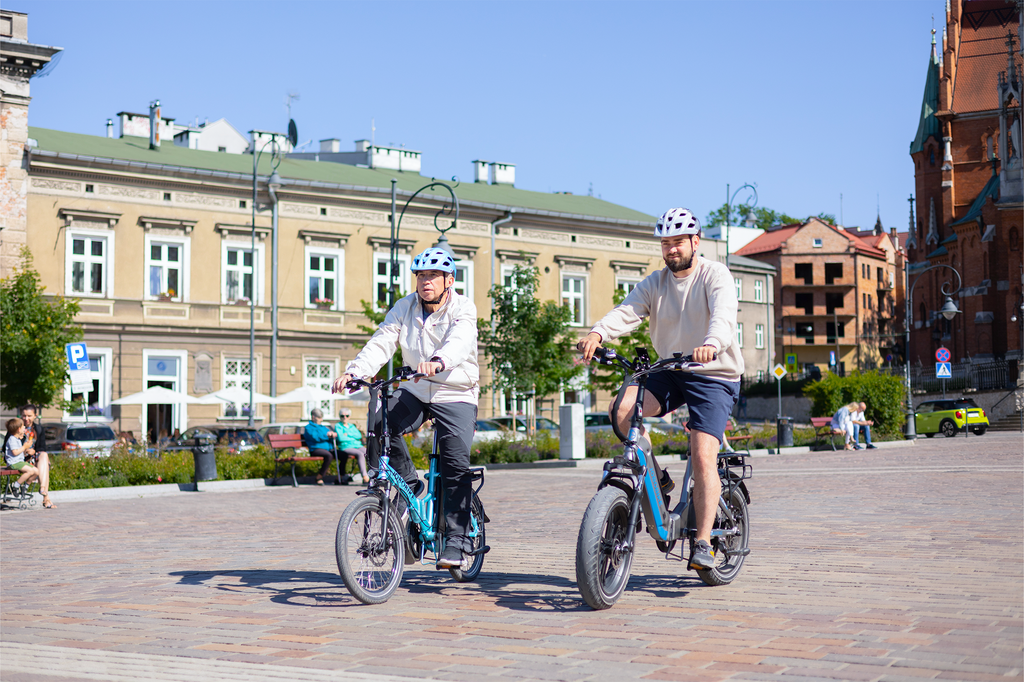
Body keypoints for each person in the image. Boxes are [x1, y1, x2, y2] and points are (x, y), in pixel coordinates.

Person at [578, 207, 744, 571]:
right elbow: (627, 311)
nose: (671, 250)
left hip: (714, 372)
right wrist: (597, 333)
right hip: (671, 368)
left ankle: (702, 542)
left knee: (702, 455)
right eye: (665, 243)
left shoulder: (716, 275)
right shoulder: (655, 283)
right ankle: (660, 479)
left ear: (695, 242)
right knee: (622, 410)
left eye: (678, 243)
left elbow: (723, 315)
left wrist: (712, 343)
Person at [333, 246, 479, 571]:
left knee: (454, 464)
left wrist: (439, 361)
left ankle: (456, 539)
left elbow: (460, 340)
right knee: (381, 421)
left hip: (455, 391)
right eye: (421, 275)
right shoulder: (405, 307)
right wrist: (356, 372)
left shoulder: (463, 308)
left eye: (433, 275)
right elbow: (383, 341)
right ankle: (408, 480)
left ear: (449, 280)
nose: (426, 281)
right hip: (415, 388)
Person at [4, 418, 54, 509]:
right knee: (30, 471)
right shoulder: (12, 439)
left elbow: (19, 452)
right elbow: (15, 452)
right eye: (23, 427)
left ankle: (25, 486)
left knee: (37, 471)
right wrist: (24, 447)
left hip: (19, 461)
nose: (25, 428)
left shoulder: (18, 439)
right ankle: (15, 485)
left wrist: (26, 451)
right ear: (19, 429)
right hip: (14, 463)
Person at [17, 406, 54, 509]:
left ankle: (43, 489)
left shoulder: (38, 429)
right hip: (21, 459)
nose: (26, 418)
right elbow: (9, 447)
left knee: (44, 455)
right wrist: (24, 450)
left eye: (29, 416)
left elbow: (42, 447)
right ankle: (45, 496)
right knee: (44, 464)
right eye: (24, 416)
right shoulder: (16, 427)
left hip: (35, 458)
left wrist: (34, 451)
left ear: (35, 416)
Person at [303, 408, 342, 485]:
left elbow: (329, 437)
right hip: (316, 449)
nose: (321, 420)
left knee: (343, 454)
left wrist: (333, 435)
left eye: (321, 417)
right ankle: (319, 476)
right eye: (319, 418)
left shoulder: (323, 427)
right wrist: (327, 435)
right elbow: (315, 437)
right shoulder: (308, 428)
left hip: (328, 449)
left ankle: (340, 477)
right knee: (329, 456)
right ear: (313, 417)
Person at [334, 408, 369, 484]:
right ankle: (365, 476)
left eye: (347, 416)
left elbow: (359, 435)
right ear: (340, 417)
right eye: (342, 416)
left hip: (357, 445)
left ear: (349, 416)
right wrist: (352, 437)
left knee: (368, 452)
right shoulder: (338, 426)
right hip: (346, 447)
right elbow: (341, 438)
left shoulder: (351, 426)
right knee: (360, 454)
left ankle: (372, 474)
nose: (345, 418)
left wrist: (348, 434)